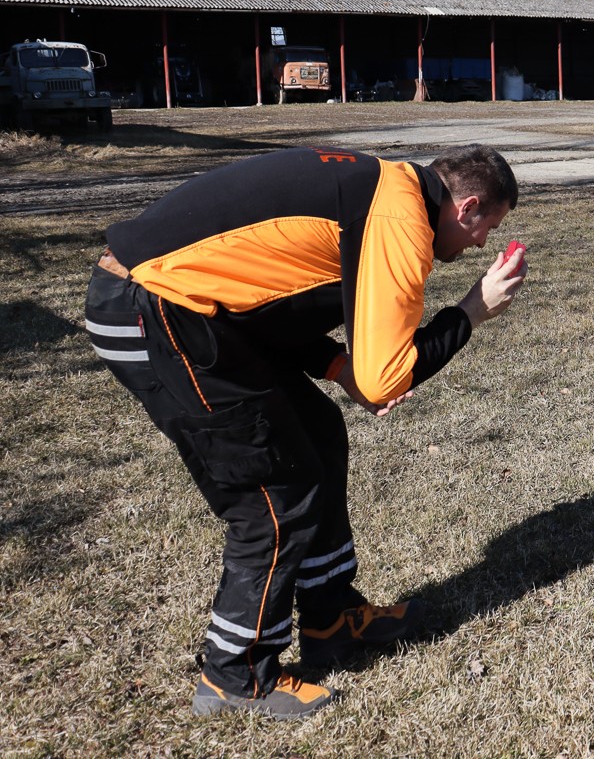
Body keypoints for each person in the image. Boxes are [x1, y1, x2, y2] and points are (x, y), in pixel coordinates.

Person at [83, 144, 525, 719]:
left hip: (189, 306)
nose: (482, 244)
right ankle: (234, 676)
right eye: (489, 228)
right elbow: (385, 378)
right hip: (154, 310)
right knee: (273, 491)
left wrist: (338, 367)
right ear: (466, 207)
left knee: (317, 432)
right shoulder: (400, 218)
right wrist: (470, 311)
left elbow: (266, 294)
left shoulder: (387, 190)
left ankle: (329, 618)